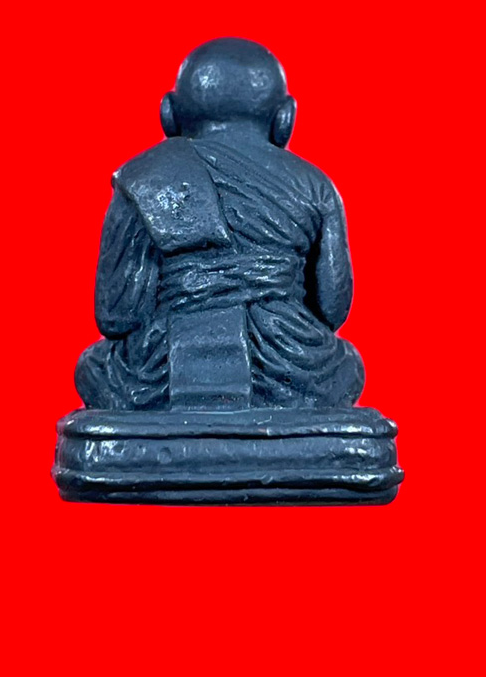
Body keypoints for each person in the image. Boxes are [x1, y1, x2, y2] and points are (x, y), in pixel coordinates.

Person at [75, 38, 364, 411]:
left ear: (168, 115)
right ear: (285, 118)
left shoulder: (146, 177)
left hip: (161, 367)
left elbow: (116, 314)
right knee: (346, 365)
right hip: (287, 363)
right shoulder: (315, 185)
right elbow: (332, 309)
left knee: (94, 367)